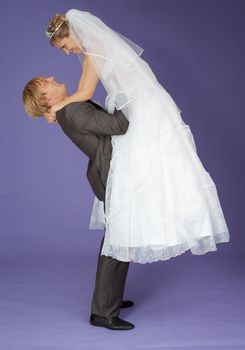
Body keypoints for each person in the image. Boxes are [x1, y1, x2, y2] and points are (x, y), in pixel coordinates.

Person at [44, 9, 230, 264]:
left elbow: (85, 93)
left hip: (141, 108)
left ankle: (164, 229)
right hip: (136, 106)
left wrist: (56, 106)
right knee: (145, 175)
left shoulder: (97, 47)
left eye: (65, 45)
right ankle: (151, 231)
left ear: (74, 33)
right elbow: (82, 93)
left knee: (147, 173)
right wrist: (63, 104)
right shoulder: (94, 51)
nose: (67, 52)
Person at [22, 76, 135, 331]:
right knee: (119, 239)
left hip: (111, 171)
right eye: (46, 82)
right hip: (111, 173)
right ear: (46, 99)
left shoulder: (68, 107)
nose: (52, 78)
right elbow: (121, 124)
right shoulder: (72, 110)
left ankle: (108, 299)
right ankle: (103, 312)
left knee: (122, 237)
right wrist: (133, 91)